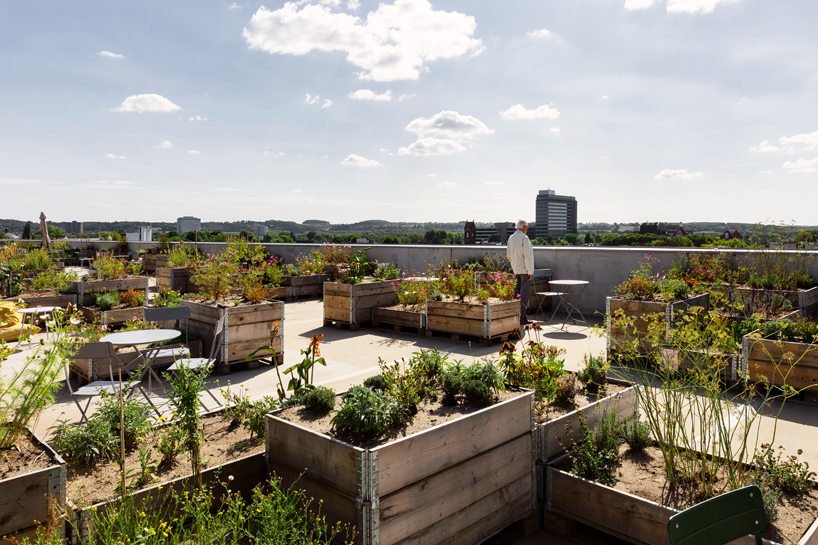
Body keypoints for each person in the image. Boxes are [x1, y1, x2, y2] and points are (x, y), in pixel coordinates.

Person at [507, 219, 534, 324]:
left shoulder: (511, 238)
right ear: (523, 227)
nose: (527, 229)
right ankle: (523, 317)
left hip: (516, 269)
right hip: (524, 270)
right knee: (524, 294)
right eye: (526, 227)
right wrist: (529, 271)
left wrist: (514, 265)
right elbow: (527, 256)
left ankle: (515, 315)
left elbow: (509, 255)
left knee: (516, 292)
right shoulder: (524, 238)